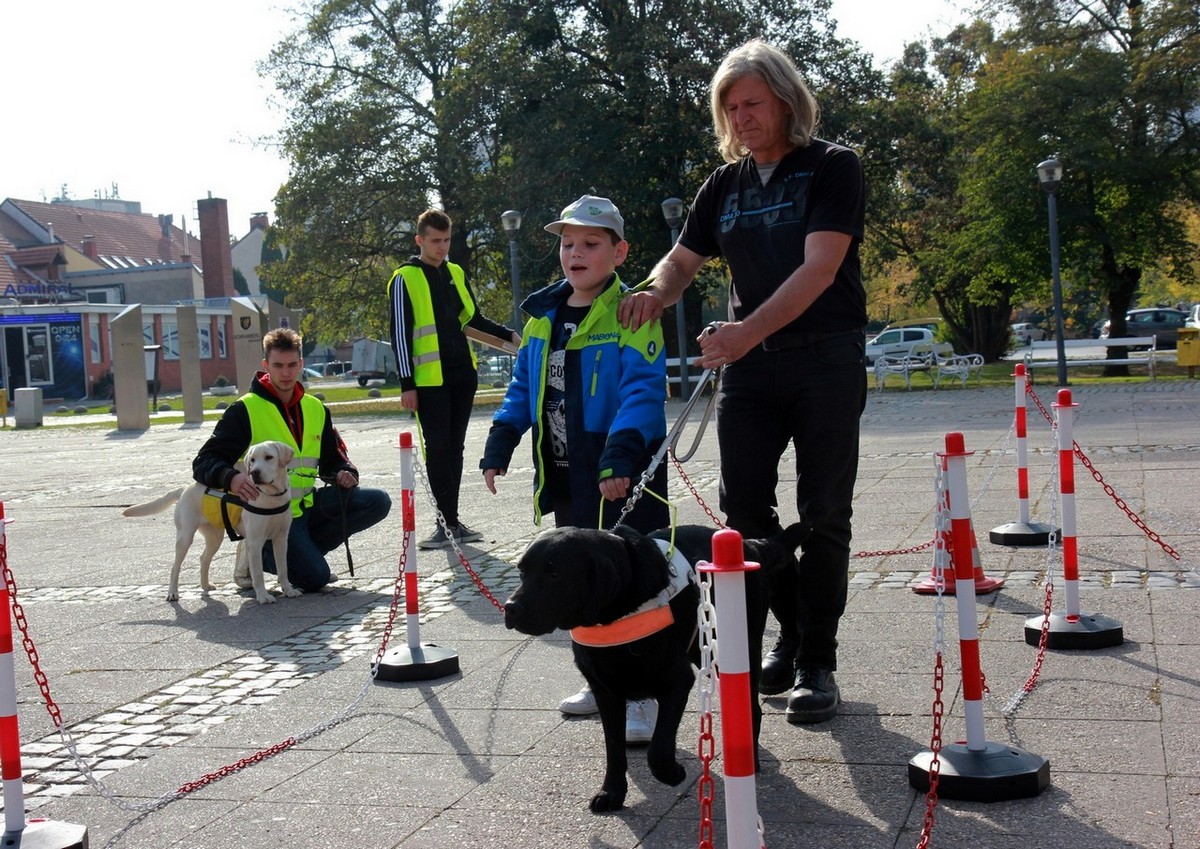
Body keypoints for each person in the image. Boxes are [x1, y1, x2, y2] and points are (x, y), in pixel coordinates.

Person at [618, 39, 867, 725]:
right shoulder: (723, 186)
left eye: (752, 102)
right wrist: (652, 291)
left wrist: (741, 334)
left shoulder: (832, 167)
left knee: (823, 513)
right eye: (730, 107)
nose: (742, 117)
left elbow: (819, 270)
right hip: (751, 371)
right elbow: (681, 259)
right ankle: (782, 635)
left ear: (786, 98)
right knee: (746, 519)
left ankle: (818, 659)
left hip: (825, 357)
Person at [480, 194, 669, 743]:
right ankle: (600, 678)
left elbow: (642, 391)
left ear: (619, 252)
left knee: (635, 583)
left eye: (591, 243)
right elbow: (522, 388)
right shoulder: (544, 318)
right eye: (567, 244)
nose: (576, 253)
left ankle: (645, 696)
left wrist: (621, 456)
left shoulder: (633, 312)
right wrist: (501, 439)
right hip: (568, 474)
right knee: (580, 583)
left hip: (623, 471)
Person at [193, 328, 392, 592]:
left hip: (305, 507)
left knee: (377, 501)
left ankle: (301, 554)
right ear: (266, 366)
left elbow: (334, 459)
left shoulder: (316, 408)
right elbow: (204, 462)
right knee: (315, 579)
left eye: (291, 365)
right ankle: (259, 553)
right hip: (266, 515)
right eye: (277, 366)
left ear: (301, 363)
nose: (285, 373)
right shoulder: (244, 410)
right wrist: (232, 477)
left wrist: (345, 471)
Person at [388, 208, 521, 549]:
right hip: (429, 380)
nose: (442, 247)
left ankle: (453, 520)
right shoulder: (404, 277)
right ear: (420, 240)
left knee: (456, 448)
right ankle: (444, 524)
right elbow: (399, 335)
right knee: (439, 449)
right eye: (435, 241)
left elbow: (472, 318)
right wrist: (407, 384)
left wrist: (508, 335)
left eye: (446, 240)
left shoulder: (456, 272)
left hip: (463, 374)